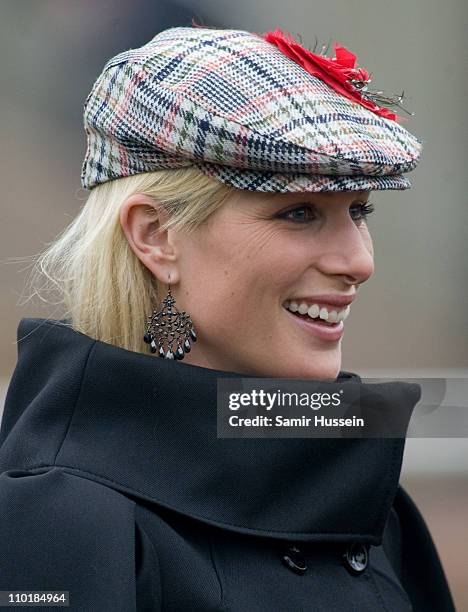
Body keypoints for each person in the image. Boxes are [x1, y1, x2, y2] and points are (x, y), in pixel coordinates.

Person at [0, 25, 455, 611]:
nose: (359, 262)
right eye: (299, 212)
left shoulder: (370, 501)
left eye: (358, 210)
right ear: (156, 236)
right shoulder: (59, 522)